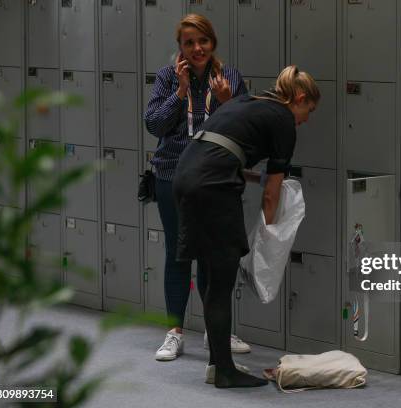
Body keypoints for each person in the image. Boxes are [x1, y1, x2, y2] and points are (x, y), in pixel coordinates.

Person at [172, 65, 320, 388]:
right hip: (212, 184)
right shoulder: (284, 122)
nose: (305, 119)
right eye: (307, 110)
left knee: (212, 274)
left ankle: (217, 364)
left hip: (188, 174)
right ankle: (225, 371)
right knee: (222, 279)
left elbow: (231, 146)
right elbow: (271, 194)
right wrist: (270, 237)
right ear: (299, 98)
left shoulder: (249, 101)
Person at [144, 14, 251, 363]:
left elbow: (245, 127)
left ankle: (213, 330)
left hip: (213, 178)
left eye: (202, 40)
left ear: (212, 41)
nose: (197, 48)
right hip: (171, 175)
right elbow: (155, 125)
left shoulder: (230, 77)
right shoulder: (167, 76)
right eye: (189, 43)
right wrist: (180, 92)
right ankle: (174, 332)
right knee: (178, 253)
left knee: (210, 255)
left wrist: (225, 101)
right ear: (181, 47)